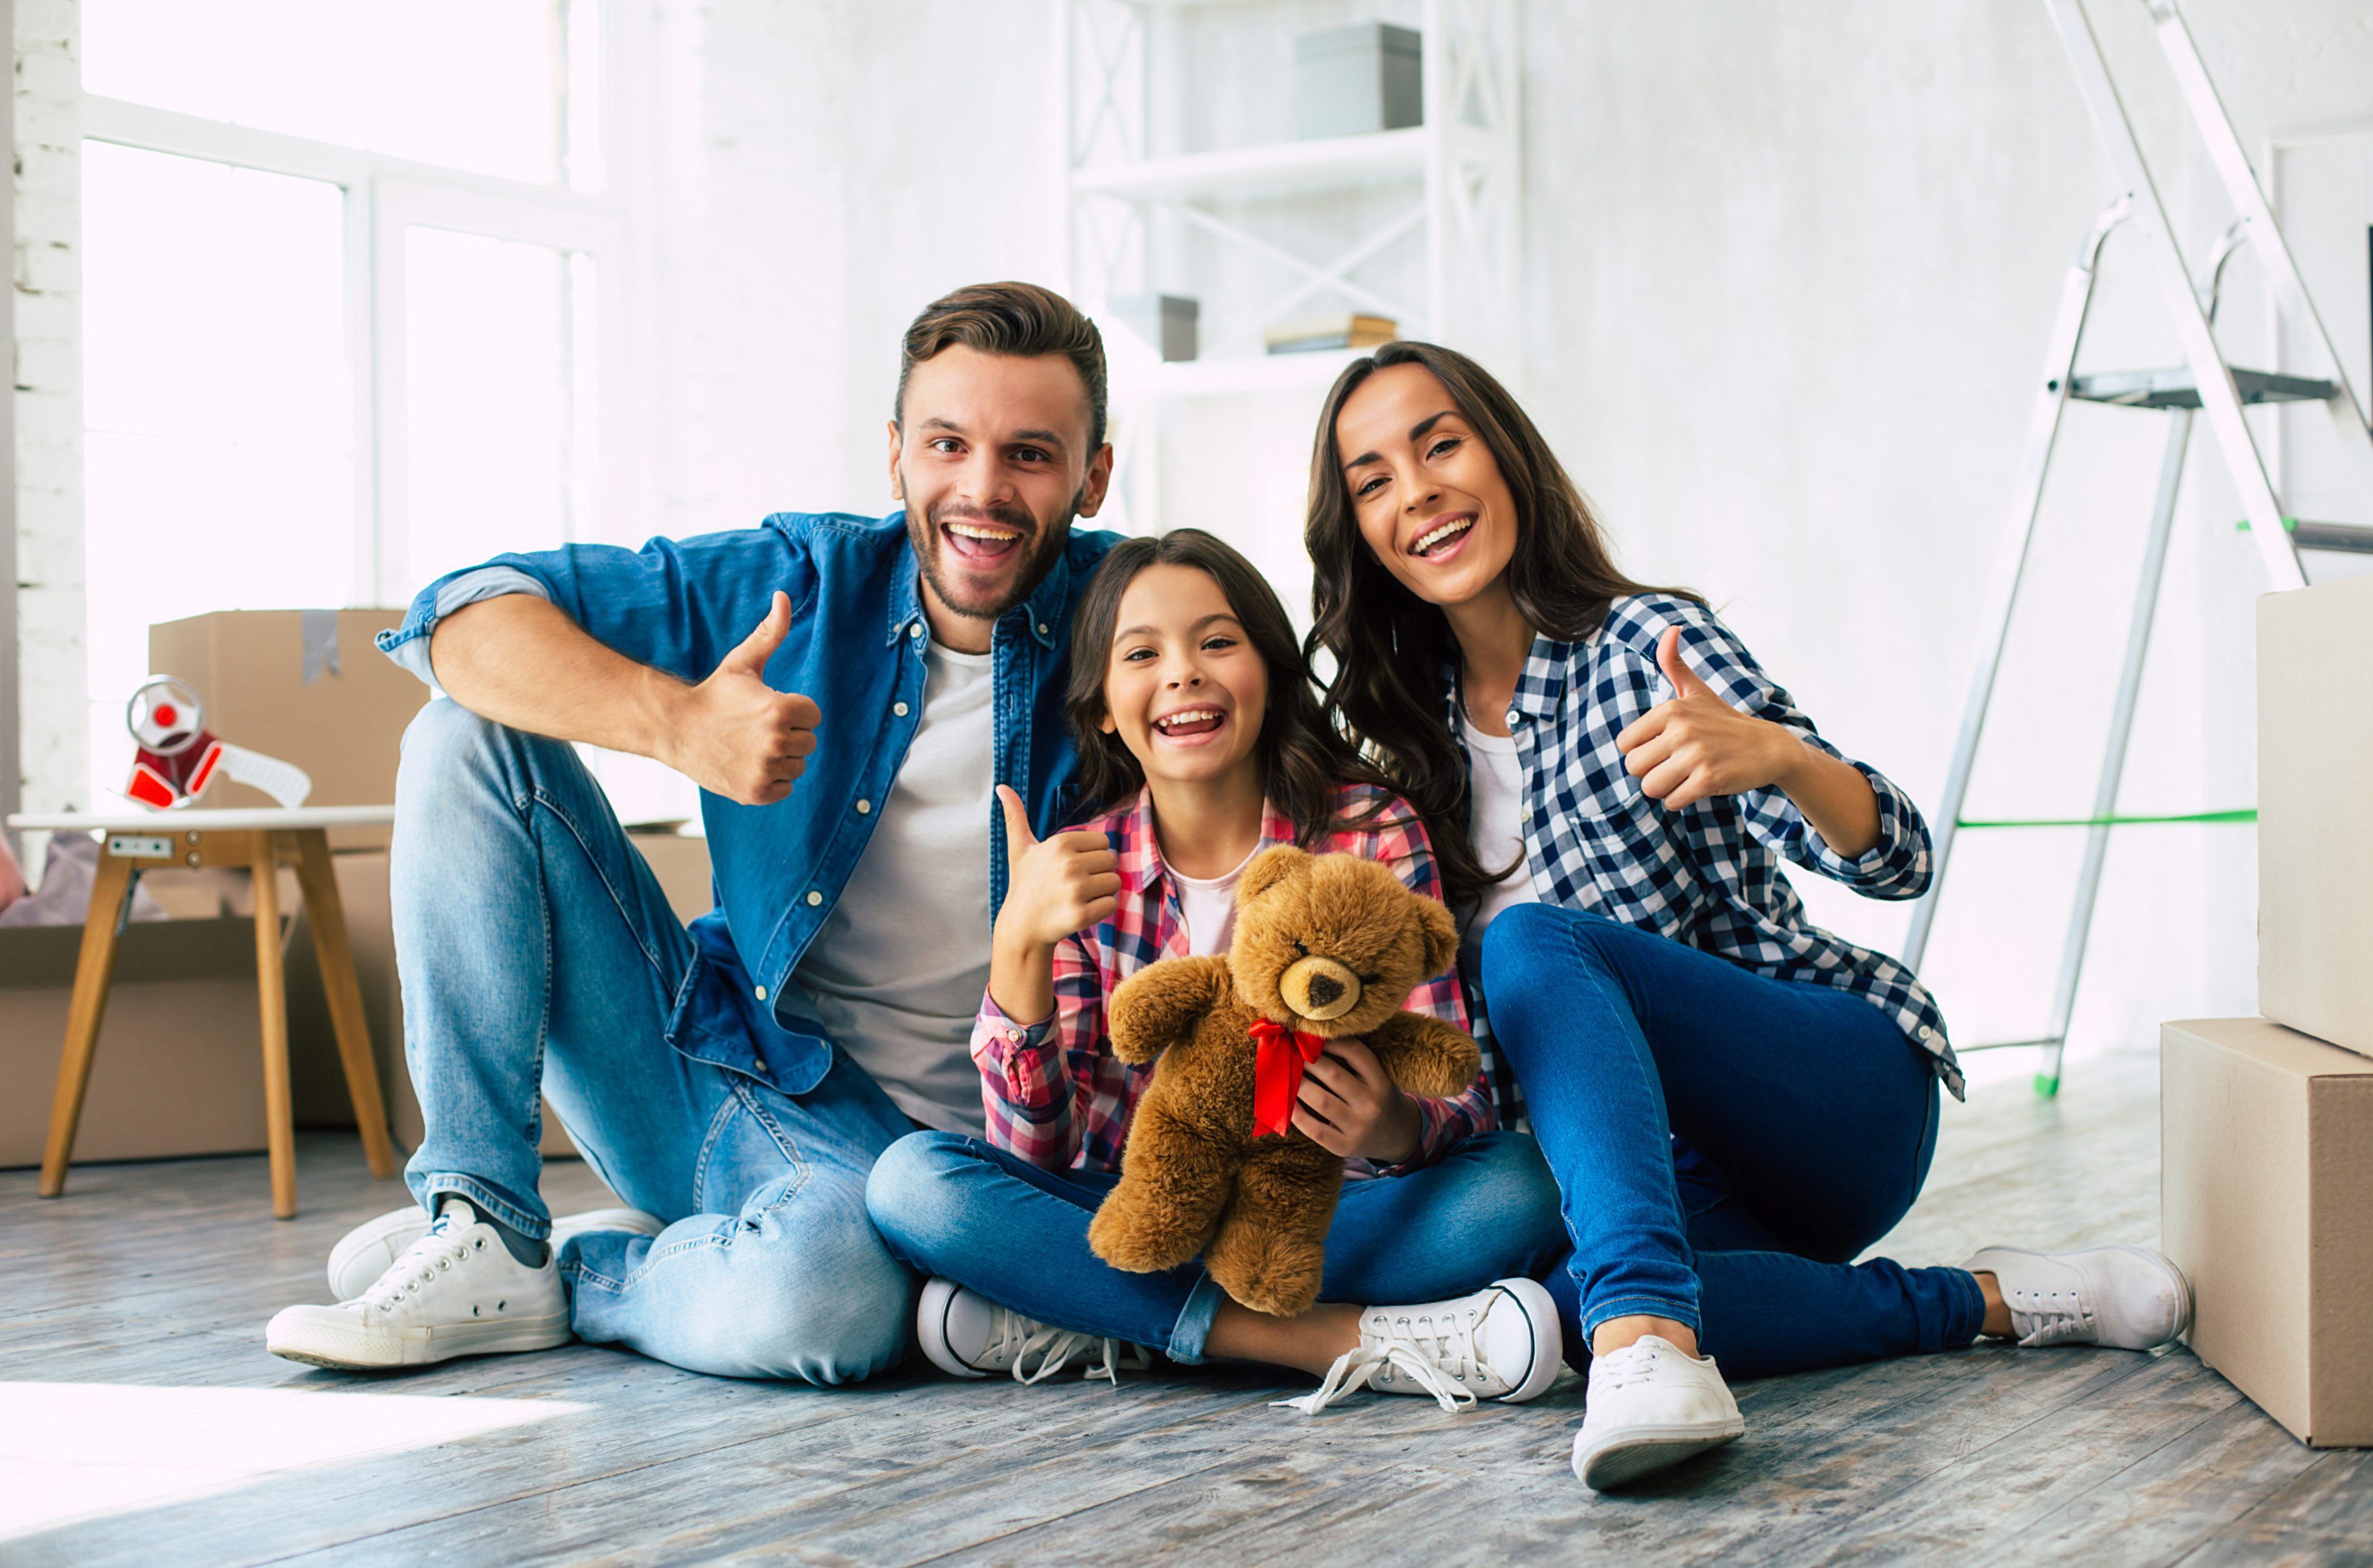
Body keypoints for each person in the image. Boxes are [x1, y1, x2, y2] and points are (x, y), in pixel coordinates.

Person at [1302, 342, 2192, 1489]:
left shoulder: (1643, 649)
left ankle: (1639, 1334)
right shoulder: (1398, 764)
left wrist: (1777, 757)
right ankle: (1982, 1301)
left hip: (1828, 1094)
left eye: (1440, 445)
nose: (1415, 490)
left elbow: (1898, 858)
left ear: (1505, 454)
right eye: (1373, 479)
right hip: (1663, 1184)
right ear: (1359, 532)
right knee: (1544, 1305)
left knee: (1536, 941)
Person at [264, 282, 1130, 1383]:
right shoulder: (802, 582)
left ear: (1095, 474)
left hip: (948, 1172)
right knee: (463, 737)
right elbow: (461, 613)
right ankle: (482, 1220)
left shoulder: (1142, 625)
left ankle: (580, 1272)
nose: (981, 489)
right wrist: (675, 726)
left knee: (824, 1303)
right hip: (712, 1074)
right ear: (897, 454)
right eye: (947, 443)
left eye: (1030, 455)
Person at [866, 529, 1568, 1412]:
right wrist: (1019, 953)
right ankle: (1326, 1341)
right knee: (913, 1186)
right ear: (1105, 710)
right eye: (1143, 653)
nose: (1184, 672)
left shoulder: (1369, 832)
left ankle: (1103, 1323)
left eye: (1217, 642)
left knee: (1517, 1191)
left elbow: (1461, 1101)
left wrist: (1389, 1124)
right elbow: (1032, 1157)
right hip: (1147, 1215)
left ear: (1267, 673)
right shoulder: (1086, 868)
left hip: (1328, 1221)